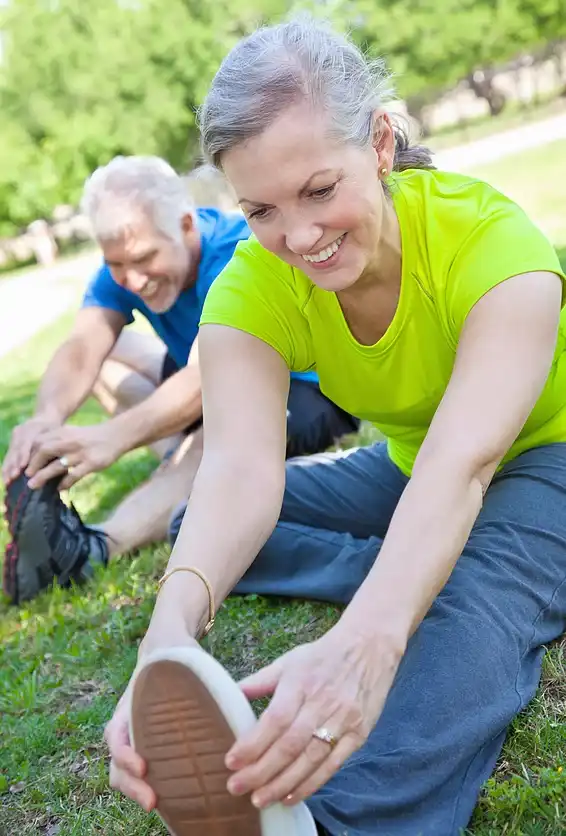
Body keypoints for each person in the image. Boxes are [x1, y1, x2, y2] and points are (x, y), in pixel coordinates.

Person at [103, 18, 566, 836]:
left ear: (381, 144)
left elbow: (464, 466)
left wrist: (368, 639)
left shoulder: (497, 249)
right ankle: (416, 566)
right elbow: (240, 473)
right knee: (195, 532)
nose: (301, 236)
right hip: (411, 465)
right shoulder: (253, 287)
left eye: (320, 191)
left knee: (478, 598)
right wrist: (164, 643)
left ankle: (335, 823)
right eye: (262, 210)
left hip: (545, 457)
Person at [2, 155, 358, 606]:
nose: (132, 279)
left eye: (144, 258)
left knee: (229, 423)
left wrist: (111, 437)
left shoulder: (235, 254)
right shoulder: (127, 265)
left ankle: (96, 546)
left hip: (301, 392)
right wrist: (44, 419)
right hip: (207, 381)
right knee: (107, 353)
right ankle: (184, 467)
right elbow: (82, 346)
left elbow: (206, 376)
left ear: (187, 225)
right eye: (115, 264)